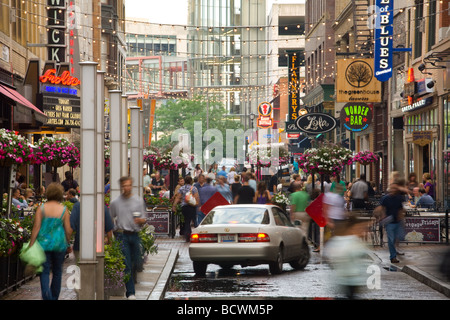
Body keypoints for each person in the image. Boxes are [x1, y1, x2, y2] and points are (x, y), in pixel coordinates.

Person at [28, 182, 72, 300]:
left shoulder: (41, 209)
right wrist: (68, 243)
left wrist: (31, 245)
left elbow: (36, 228)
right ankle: (54, 297)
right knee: (57, 272)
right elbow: (68, 230)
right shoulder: (64, 210)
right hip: (59, 244)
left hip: (44, 244)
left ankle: (47, 295)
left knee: (44, 271)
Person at [109, 176, 147, 300]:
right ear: (121, 187)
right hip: (122, 234)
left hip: (135, 234)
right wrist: (113, 232)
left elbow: (144, 219)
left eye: (129, 185)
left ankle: (132, 280)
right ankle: (130, 292)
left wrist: (140, 220)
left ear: (132, 186)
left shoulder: (138, 200)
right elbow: (110, 218)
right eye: (124, 185)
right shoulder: (115, 202)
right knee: (126, 264)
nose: (127, 188)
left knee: (137, 261)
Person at [325, 216, 369, 299]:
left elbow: (329, 254)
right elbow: (359, 253)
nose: (363, 232)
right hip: (352, 279)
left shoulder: (337, 240)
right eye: (361, 229)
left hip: (344, 279)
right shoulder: (352, 241)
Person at [380, 177, 406, 263]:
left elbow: (401, 209)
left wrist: (401, 217)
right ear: (390, 189)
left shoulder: (399, 198)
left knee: (399, 237)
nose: (393, 190)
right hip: (389, 221)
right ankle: (393, 256)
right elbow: (382, 208)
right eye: (392, 188)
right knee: (391, 239)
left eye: (395, 188)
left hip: (398, 221)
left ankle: (395, 251)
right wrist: (383, 216)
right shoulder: (385, 198)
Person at [172, 176, 200, 242]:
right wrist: (198, 205)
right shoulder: (194, 188)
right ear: (191, 181)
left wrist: (174, 206)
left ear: (185, 181)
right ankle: (195, 234)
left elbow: (178, 198)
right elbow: (197, 197)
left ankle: (187, 234)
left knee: (186, 221)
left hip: (184, 207)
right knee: (193, 220)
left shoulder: (182, 188)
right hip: (192, 207)